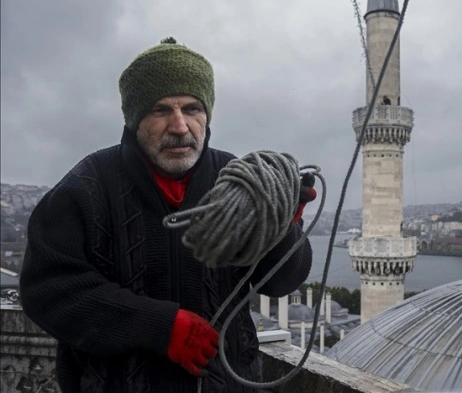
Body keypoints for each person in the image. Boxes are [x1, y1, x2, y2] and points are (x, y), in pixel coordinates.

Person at [19, 37, 316, 393]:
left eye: (192, 109)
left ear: (206, 115)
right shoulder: (85, 188)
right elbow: (47, 290)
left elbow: (281, 282)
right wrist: (158, 326)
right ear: (133, 119)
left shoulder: (240, 181)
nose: (179, 126)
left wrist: (284, 224)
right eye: (161, 110)